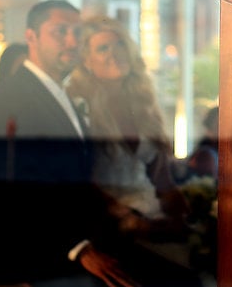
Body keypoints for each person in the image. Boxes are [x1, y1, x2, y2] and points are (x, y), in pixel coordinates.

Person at [0, 0, 203, 287]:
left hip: (85, 235)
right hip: (38, 248)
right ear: (32, 36)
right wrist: (78, 249)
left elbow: (78, 182)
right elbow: (8, 193)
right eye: (60, 32)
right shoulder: (10, 99)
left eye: (76, 32)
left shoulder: (62, 97)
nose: (71, 41)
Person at [65, 15, 189, 236]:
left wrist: (186, 214)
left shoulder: (144, 104)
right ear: (86, 61)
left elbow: (163, 182)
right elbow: (76, 183)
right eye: (103, 48)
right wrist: (130, 220)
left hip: (151, 222)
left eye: (120, 44)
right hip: (105, 228)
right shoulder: (78, 107)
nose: (114, 53)